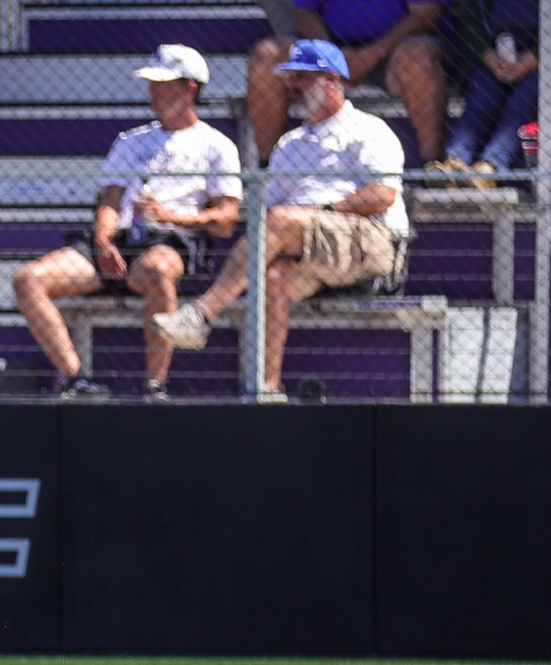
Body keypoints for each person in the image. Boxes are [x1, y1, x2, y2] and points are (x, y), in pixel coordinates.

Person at [152, 40, 409, 401]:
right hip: (310, 248)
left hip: (372, 242)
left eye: (302, 77)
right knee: (273, 274)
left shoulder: (368, 129)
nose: (292, 86)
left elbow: (383, 195)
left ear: (332, 79)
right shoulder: (291, 143)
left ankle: (201, 315)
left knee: (283, 221)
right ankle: (267, 386)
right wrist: (298, 221)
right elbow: (268, 215)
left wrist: (320, 213)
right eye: (291, 78)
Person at [11, 44, 242, 402]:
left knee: (159, 269)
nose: (151, 91)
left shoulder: (217, 145)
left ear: (189, 88)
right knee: (29, 280)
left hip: (172, 242)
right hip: (118, 242)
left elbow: (227, 219)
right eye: (151, 83)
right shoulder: (130, 141)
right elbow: (109, 201)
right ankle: (75, 379)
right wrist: (103, 241)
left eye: (161, 83)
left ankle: (154, 386)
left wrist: (172, 217)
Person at [247, 0, 450, 167]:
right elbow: (302, 12)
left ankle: (432, 166)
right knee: (267, 56)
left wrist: (370, 55)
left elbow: (426, 14)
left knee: (419, 57)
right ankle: (269, 167)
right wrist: (331, 55)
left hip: (393, 50)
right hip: (329, 48)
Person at [429, 0, 540, 189]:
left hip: (547, 63)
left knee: (521, 103)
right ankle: (454, 163)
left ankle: (490, 168)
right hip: (495, 56)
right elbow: (466, 20)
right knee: (481, 98)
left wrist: (531, 60)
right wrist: (488, 56)